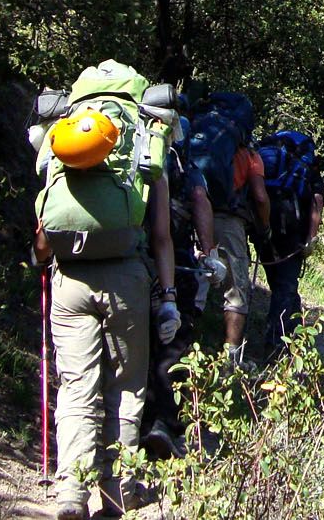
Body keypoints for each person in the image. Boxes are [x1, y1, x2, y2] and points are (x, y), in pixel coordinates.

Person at [33, 61, 181, 520]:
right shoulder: (144, 141)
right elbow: (161, 236)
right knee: (127, 385)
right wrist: (170, 297)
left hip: (70, 280)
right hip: (126, 279)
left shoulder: (65, 142)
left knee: (77, 386)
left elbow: (43, 235)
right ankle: (119, 490)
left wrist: (46, 258)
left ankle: (71, 492)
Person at [139, 124, 215, 459]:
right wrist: (210, 253)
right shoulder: (181, 161)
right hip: (177, 264)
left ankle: (129, 425)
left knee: (137, 344)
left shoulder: (129, 153)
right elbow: (199, 200)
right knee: (173, 344)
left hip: (131, 263)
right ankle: (166, 424)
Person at [182, 91, 269, 370]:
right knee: (235, 289)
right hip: (225, 220)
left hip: (186, 211)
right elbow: (259, 196)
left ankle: (183, 343)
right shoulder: (248, 153)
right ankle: (231, 358)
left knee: (191, 276)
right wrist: (263, 229)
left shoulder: (189, 139)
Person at [256, 128, 324, 359]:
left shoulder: (266, 159)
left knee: (280, 283)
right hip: (292, 231)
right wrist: (310, 239)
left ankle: (292, 336)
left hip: (263, 227)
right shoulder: (307, 169)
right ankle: (276, 347)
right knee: (285, 286)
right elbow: (316, 202)